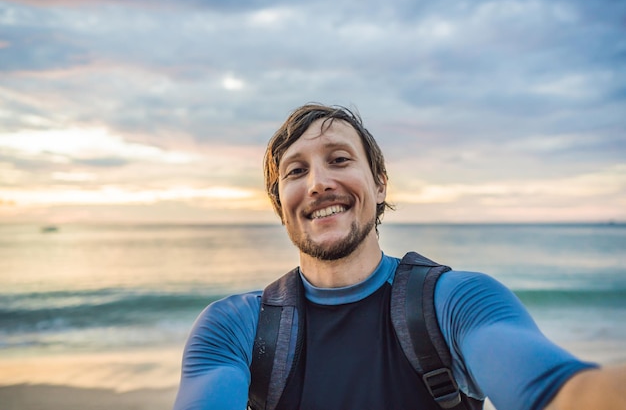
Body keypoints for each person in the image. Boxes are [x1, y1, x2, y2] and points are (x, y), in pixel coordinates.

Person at [173, 103, 626, 410]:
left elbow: (558, 392)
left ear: (380, 184)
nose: (317, 183)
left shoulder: (454, 302)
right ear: (281, 204)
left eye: (339, 159)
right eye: (296, 170)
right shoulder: (235, 326)